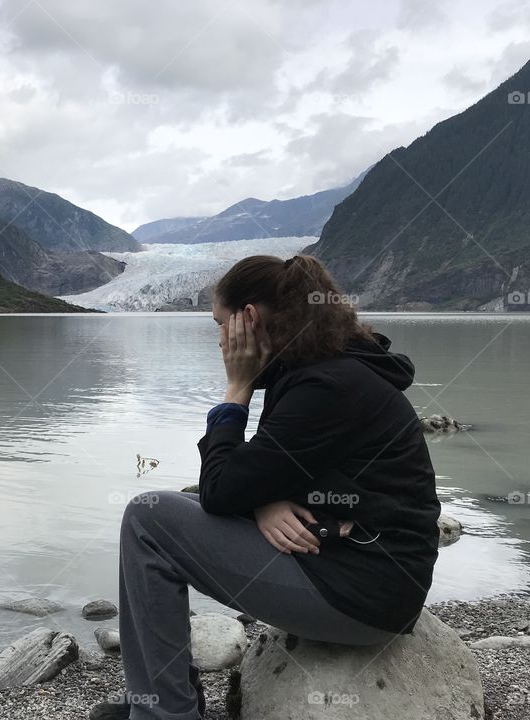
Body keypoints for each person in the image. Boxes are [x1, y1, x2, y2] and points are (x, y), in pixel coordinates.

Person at [90, 254, 441, 720]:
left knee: (147, 519)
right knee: (175, 508)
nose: (219, 340)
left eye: (221, 324)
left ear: (249, 318)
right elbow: (258, 473)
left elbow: (222, 487)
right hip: (361, 571)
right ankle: (156, 698)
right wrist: (261, 502)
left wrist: (236, 390)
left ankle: (164, 713)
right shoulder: (328, 368)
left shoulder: (326, 386)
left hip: (362, 595)